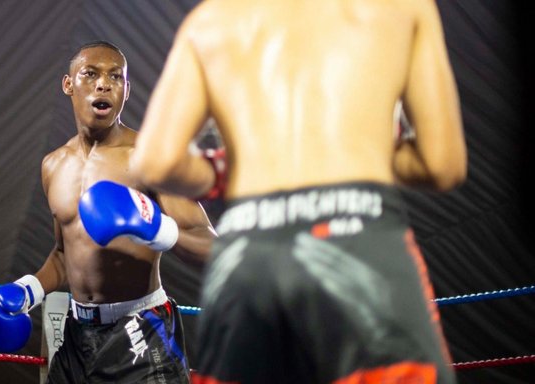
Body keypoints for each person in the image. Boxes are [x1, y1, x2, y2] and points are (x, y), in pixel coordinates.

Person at [129, 0, 467, 383]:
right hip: (360, 241)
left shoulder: (211, 20)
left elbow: (155, 162)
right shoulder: (400, 8)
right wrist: (358, 146)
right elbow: (442, 164)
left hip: (248, 256)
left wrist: (230, 167)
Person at [0, 41, 215, 384]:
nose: (103, 84)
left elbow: (215, 249)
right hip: (77, 338)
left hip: (141, 333)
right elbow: (65, 255)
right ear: (68, 84)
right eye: (90, 74)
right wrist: (27, 290)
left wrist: (156, 228)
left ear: (126, 90)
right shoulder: (53, 166)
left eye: (115, 77)